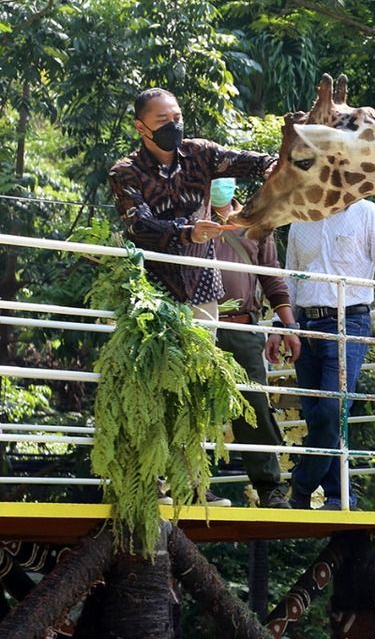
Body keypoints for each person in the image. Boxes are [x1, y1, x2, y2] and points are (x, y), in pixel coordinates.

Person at [108, 87, 277, 507]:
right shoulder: (125, 171)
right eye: (164, 120)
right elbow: (138, 225)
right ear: (141, 126)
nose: (174, 126)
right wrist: (187, 230)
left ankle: (194, 486)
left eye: (177, 116)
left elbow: (253, 161)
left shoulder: (201, 153)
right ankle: (153, 485)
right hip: (152, 291)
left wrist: (278, 163)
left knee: (197, 388)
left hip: (202, 286)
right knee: (157, 385)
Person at [285, 198, 375, 510]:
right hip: (304, 322)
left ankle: (300, 488)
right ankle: (339, 495)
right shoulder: (300, 215)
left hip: (348, 319)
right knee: (317, 415)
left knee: (331, 410)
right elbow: (289, 276)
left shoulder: (367, 213)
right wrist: (283, 325)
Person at [210, 178, 302, 508]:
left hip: (244, 328)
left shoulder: (256, 223)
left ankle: (269, 488)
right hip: (201, 325)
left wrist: (289, 325)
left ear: (235, 186)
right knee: (192, 404)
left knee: (254, 408)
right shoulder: (191, 219)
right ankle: (192, 482)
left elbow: (272, 277)